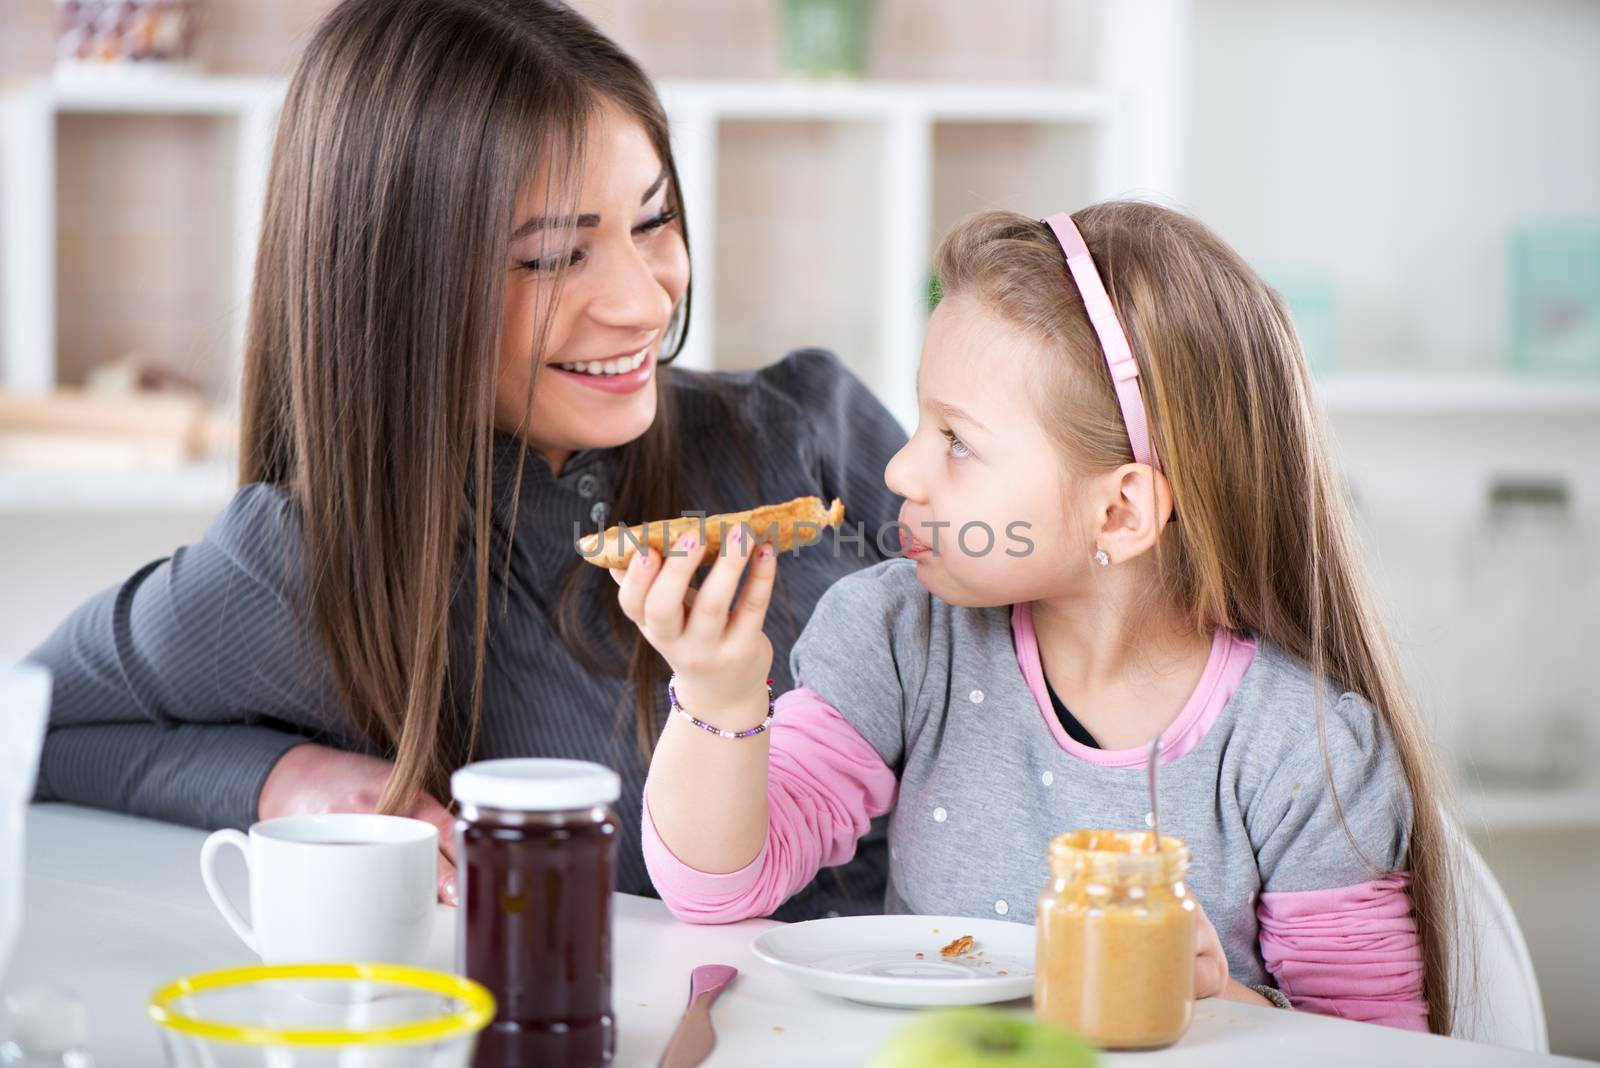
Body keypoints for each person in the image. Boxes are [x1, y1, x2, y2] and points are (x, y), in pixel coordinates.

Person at [27, 0, 904, 922]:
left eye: (651, 221)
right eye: (554, 258)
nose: (645, 304)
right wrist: (280, 778)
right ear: (396, 283)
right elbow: (38, 722)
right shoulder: (306, 566)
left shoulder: (803, 427)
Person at [624, 201, 1459, 1032]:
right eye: (920, 419)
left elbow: (1377, 1046)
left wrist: (1221, 1001)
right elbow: (718, 884)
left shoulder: (1301, 751)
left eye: (957, 440)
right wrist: (717, 695)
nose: (901, 468)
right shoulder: (899, 638)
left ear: (1122, 512)